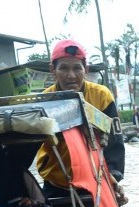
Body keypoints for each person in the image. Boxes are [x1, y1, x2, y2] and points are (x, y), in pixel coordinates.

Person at [36, 40, 125, 197]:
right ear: (53, 70)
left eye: (77, 68)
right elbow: (28, 145)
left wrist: (113, 175)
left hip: (97, 179)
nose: (71, 76)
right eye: (63, 68)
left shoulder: (102, 96)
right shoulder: (43, 101)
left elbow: (114, 140)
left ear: (86, 69)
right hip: (56, 181)